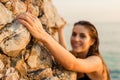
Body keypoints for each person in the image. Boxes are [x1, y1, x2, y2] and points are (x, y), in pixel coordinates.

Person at [17, 12, 110, 80]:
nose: (76, 39)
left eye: (82, 36)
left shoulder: (96, 61)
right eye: (74, 34)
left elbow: (72, 64)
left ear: (92, 41)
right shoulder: (76, 55)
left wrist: (43, 35)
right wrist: (60, 30)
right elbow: (64, 52)